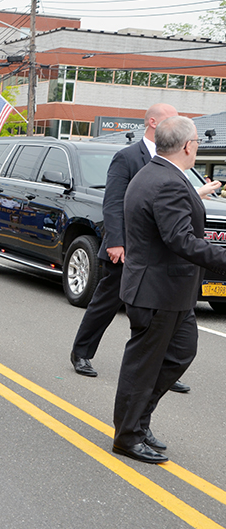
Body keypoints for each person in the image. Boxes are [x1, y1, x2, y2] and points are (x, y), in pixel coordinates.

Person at [112, 116, 226, 463]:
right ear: (190, 146)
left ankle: (138, 421)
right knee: (142, 366)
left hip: (170, 292)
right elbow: (180, 239)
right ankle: (127, 436)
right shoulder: (167, 182)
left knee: (180, 353)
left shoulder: (156, 173)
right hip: (157, 292)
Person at [68, 104, 198, 393]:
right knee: (106, 303)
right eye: (170, 118)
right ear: (153, 122)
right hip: (127, 249)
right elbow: (114, 201)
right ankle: (82, 352)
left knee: (163, 315)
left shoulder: (177, 160)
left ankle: (163, 368)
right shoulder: (127, 157)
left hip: (160, 253)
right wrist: (116, 241)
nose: (176, 122)